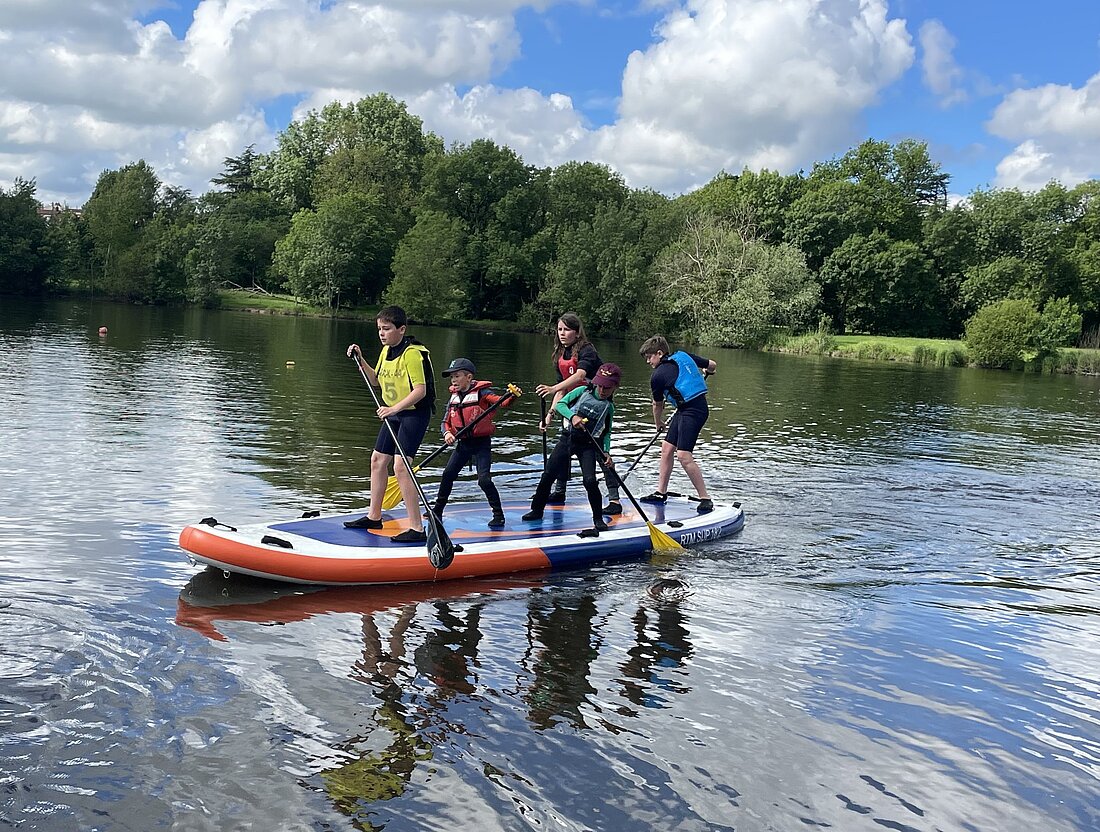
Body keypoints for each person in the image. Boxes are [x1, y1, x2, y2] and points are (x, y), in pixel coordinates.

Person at [344, 305, 436, 542]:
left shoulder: (412, 354)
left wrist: (394, 408)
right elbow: (376, 380)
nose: (381, 333)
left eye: (386, 329)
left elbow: (420, 391)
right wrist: (360, 359)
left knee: (401, 467)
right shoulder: (386, 351)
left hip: (414, 414)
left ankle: (417, 528)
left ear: (401, 329)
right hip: (393, 413)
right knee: (377, 460)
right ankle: (374, 516)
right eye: (379, 329)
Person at [533, 313, 622, 514]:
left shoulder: (587, 350)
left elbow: (580, 375)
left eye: (567, 329)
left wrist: (553, 388)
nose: (562, 333)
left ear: (576, 332)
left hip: (596, 404)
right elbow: (563, 389)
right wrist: (550, 415)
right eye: (559, 329)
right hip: (571, 404)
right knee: (565, 446)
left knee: (601, 451)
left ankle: (614, 500)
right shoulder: (559, 355)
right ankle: (559, 491)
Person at [524, 363, 623, 537]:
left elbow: (607, 432)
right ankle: (537, 510)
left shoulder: (609, 407)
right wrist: (573, 416)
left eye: (607, 388)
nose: (602, 390)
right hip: (568, 439)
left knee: (590, 481)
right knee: (548, 475)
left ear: (615, 387)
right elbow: (561, 405)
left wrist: (606, 452)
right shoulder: (582, 391)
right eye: (600, 385)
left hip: (589, 446)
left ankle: (598, 518)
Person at [431, 357, 520, 529]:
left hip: (481, 444)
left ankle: (498, 515)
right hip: (463, 444)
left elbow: (503, 402)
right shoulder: (454, 397)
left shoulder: (482, 393)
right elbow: (445, 422)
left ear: (469, 377)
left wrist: (512, 395)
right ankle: (437, 510)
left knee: (484, 480)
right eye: (452, 377)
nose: (453, 380)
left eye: (457, 376)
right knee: (448, 474)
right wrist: (447, 433)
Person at [639, 335, 716, 513]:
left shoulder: (657, 376)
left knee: (683, 455)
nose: (648, 361)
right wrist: (708, 372)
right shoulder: (683, 356)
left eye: (649, 357)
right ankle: (661, 492)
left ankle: (705, 498)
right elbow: (712, 365)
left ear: (660, 353)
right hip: (686, 409)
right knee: (666, 448)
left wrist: (658, 423)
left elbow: (657, 405)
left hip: (694, 412)